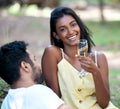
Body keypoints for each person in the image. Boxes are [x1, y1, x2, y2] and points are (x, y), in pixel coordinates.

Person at [41, 7, 118, 109]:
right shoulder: (53, 54)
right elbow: (55, 98)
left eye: (73, 25)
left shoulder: (99, 58)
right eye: (63, 29)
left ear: (79, 26)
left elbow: (104, 103)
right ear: (56, 35)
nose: (70, 31)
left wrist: (95, 72)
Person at [0, 41, 73, 109]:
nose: (38, 65)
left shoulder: (6, 103)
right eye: (34, 59)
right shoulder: (39, 92)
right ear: (25, 66)